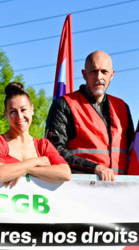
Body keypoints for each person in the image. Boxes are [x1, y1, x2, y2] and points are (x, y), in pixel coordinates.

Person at [44, 50, 134, 181]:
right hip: (81, 189)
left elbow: (134, 150)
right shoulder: (64, 104)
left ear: (112, 75)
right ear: (84, 74)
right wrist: (95, 168)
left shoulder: (122, 107)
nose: (99, 77)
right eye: (93, 71)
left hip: (120, 189)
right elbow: (53, 151)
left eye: (104, 71)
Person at [0, 82, 71, 186]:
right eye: (13, 111)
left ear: (32, 110)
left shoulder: (43, 145)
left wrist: (27, 170)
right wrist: (35, 161)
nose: (19, 116)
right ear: (6, 114)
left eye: (23, 109)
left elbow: (65, 173)